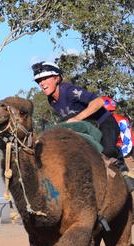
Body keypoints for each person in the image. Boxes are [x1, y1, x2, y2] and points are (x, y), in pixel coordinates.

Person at [31, 61, 134, 191]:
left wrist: (77, 118)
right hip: (87, 127)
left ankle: (124, 174)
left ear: (57, 78)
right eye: (39, 80)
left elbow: (99, 101)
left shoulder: (69, 91)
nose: (41, 83)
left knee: (107, 151)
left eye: (45, 78)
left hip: (104, 122)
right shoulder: (51, 100)